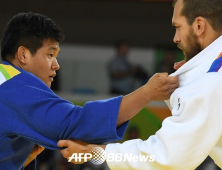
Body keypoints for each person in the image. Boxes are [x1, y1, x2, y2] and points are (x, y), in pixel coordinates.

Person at [0, 12, 179, 170]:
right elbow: (73, 123)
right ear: (23, 55)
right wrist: (146, 93)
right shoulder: (13, 86)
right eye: (50, 55)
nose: (56, 65)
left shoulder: (4, 79)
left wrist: (21, 160)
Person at [58, 0, 222, 169]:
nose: (175, 38)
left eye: (177, 27)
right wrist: (193, 74)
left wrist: (94, 152)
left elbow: (166, 155)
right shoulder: (210, 76)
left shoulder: (212, 80)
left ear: (199, 26)